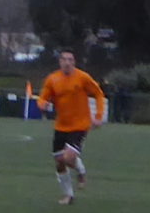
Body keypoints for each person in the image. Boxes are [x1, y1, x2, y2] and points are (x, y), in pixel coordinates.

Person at [36, 49, 106, 205]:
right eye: (64, 60)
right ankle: (69, 195)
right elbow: (42, 98)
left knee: (68, 158)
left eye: (70, 60)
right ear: (60, 62)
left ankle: (81, 172)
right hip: (61, 126)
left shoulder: (83, 78)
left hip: (80, 125)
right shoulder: (52, 79)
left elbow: (99, 94)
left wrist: (99, 116)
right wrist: (43, 105)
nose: (67, 62)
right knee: (60, 162)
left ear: (74, 62)